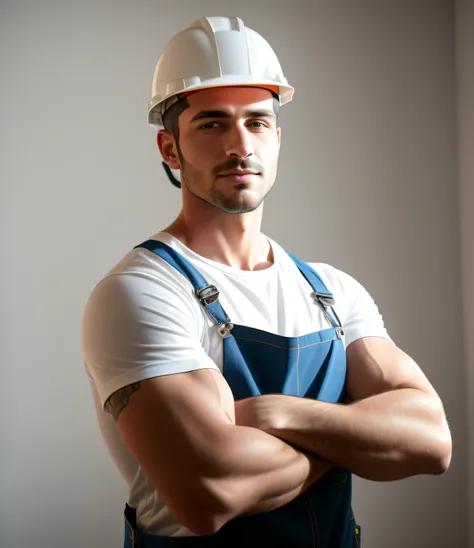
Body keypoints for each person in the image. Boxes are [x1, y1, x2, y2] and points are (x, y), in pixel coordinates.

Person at [81, 16, 452, 548]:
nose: (240, 145)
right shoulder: (141, 293)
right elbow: (209, 493)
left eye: (257, 122)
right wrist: (356, 432)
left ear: (276, 138)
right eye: (212, 124)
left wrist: (279, 414)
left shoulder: (330, 291)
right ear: (169, 148)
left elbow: (431, 442)